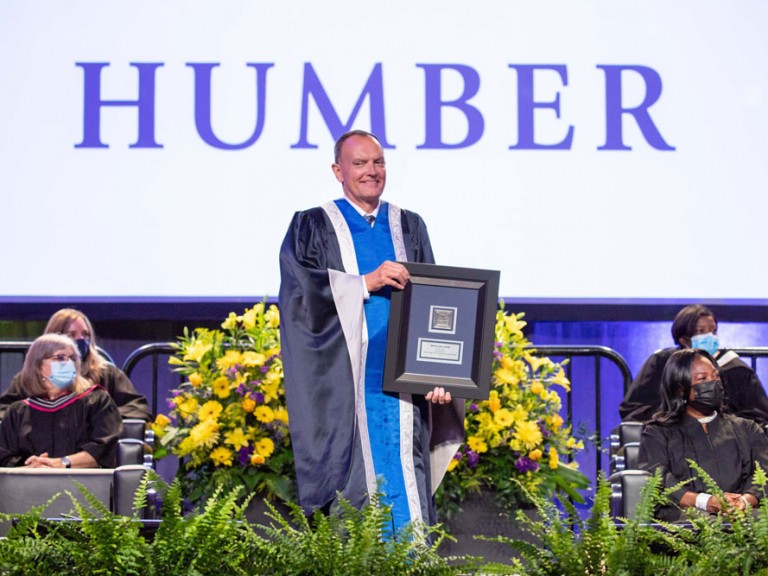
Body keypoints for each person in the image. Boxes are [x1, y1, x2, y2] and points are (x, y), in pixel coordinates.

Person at [279, 129, 465, 531]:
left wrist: (435, 374)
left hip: (402, 391)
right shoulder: (311, 226)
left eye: (378, 163)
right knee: (355, 497)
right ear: (338, 170)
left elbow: (433, 306)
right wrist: (365, 282)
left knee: (406, 481)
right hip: (345, 386)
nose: (371, 171)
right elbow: (301, 299)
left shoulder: (409, 226)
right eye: (360, 163)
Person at [638, 348, 768, 522]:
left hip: (746, 516)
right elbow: (660, 481)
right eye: (702, 379)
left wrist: (744, 501)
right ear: (680, 388)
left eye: (715, 376)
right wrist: (707, 502)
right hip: (684, 518)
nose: (713, 383)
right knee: (709, 525)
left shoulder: (747, 429)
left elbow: (764, 474)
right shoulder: (657, 433)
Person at [619, 304, 768, 425]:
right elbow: (634, 409)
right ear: (684, 339)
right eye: (701, 331)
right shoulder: (661, 363)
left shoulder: (735, 369)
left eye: (713, 330)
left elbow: (758, 416)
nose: (710, 336)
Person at [0, 308, 150, 422]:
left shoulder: (107, 374)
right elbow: (4, 410)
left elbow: (138, 408)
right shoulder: (29, 378)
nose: (80, 340)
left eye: (85, 334)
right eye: (72, 335)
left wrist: (99, 417)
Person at [0, 333, 123, 468]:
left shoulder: (96, 401)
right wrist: (33, 468)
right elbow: (5, 459)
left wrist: (61, 463)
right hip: (29, 486)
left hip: (84, 485)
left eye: (72, 358)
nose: (68, 363)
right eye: (60, 357)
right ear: (38, 365)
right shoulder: (17, 413)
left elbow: (105, 449)